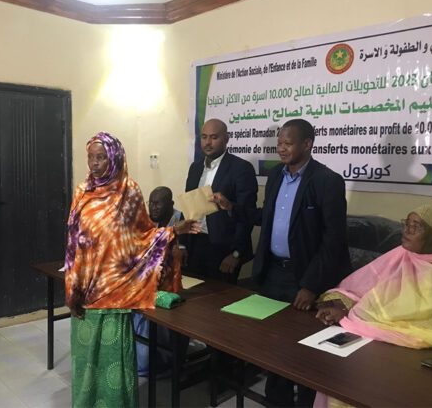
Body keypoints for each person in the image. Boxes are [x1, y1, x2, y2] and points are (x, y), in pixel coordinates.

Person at [212, 118, 352, 407]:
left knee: (304, 354)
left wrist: (310, 286)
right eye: (279, 143)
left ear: (307, 144)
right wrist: (232, 208)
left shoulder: (327, 181)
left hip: (304, 278)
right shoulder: (276, 175)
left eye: (288, 143)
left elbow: (333, 241)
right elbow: (266, 217)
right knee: (273, 346)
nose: (282, 148)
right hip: (273, 274)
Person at [312, 205, 432, 408]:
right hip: (380, 346)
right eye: (407, 224)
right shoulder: (401, 256)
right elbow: (369, 292)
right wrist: (343, 308)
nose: (407, 230)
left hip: (424, 359)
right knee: (337, 379)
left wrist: (351, 316)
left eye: (416, 226)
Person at [63, 133, 199, 408]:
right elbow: (72, 243)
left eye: (101, 157)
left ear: (115, 158)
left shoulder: (130, 192)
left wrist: (173, 230)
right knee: (86, 360)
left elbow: (143, 237)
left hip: (116, 294)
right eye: (91, 157)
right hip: (86, 291)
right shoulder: (82, 191)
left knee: (113, 362)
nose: (95, 163)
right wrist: (71, 286)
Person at [183, 118, 257, 284]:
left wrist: (236, 254)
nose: (208, 142)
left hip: (224, 250)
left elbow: (246, 214)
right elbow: (188, 206)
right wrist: (182, 245)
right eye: (204, 137)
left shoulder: (241, 168)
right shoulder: (195, 168)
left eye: (214, 137)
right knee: (193, 294)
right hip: (195, 244)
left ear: (226, 139)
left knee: (219, 296)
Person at [133, 186, 183, 378]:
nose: (153, 208)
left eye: (157, 204)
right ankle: (147, 357)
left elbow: (180, 255)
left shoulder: (180, 221)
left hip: (173, 285)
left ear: (170, 204)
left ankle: (167, 359)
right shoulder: (148, 221)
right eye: (150, 203)